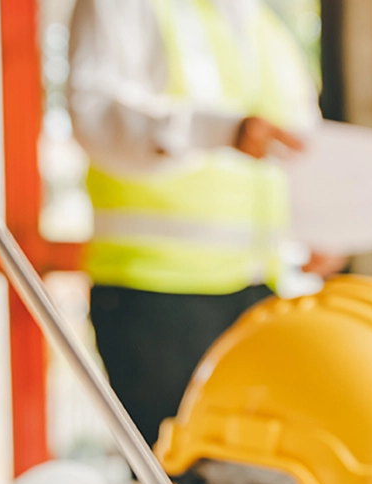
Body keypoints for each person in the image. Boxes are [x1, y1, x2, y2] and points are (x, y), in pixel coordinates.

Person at [68, 0, 340, 449]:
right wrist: (217, 131)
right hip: (157, 295)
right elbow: (96, 117)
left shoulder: (268, 28)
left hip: (262, 294)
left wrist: (326, 227)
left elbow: (300, 147)